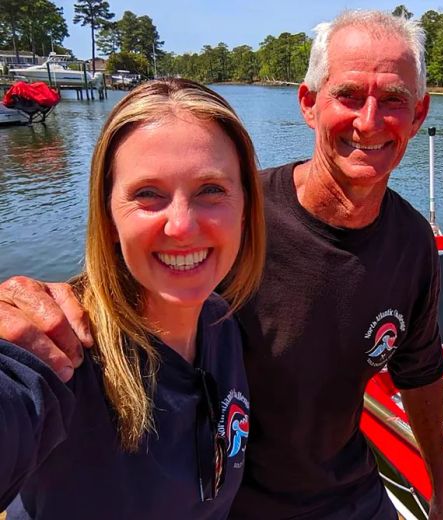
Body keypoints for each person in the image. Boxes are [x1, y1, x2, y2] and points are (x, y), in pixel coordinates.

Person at [0, 10, 443, 520]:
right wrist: (26, 308)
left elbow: (419, 369)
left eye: (393, 100)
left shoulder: (409, 242)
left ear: (418, 115)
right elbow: (90, 316)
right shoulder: (225, 229)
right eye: (348, 95)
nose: (184, 225)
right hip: (244, 503)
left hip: (348, 494)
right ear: (308, 103)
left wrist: (442, 493)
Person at [0, 78, 266, 519]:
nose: (181, 225)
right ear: (108, 216)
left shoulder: (222, 323)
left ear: (246, 207)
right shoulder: (61, 348)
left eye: (210, 190)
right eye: (148, 194)